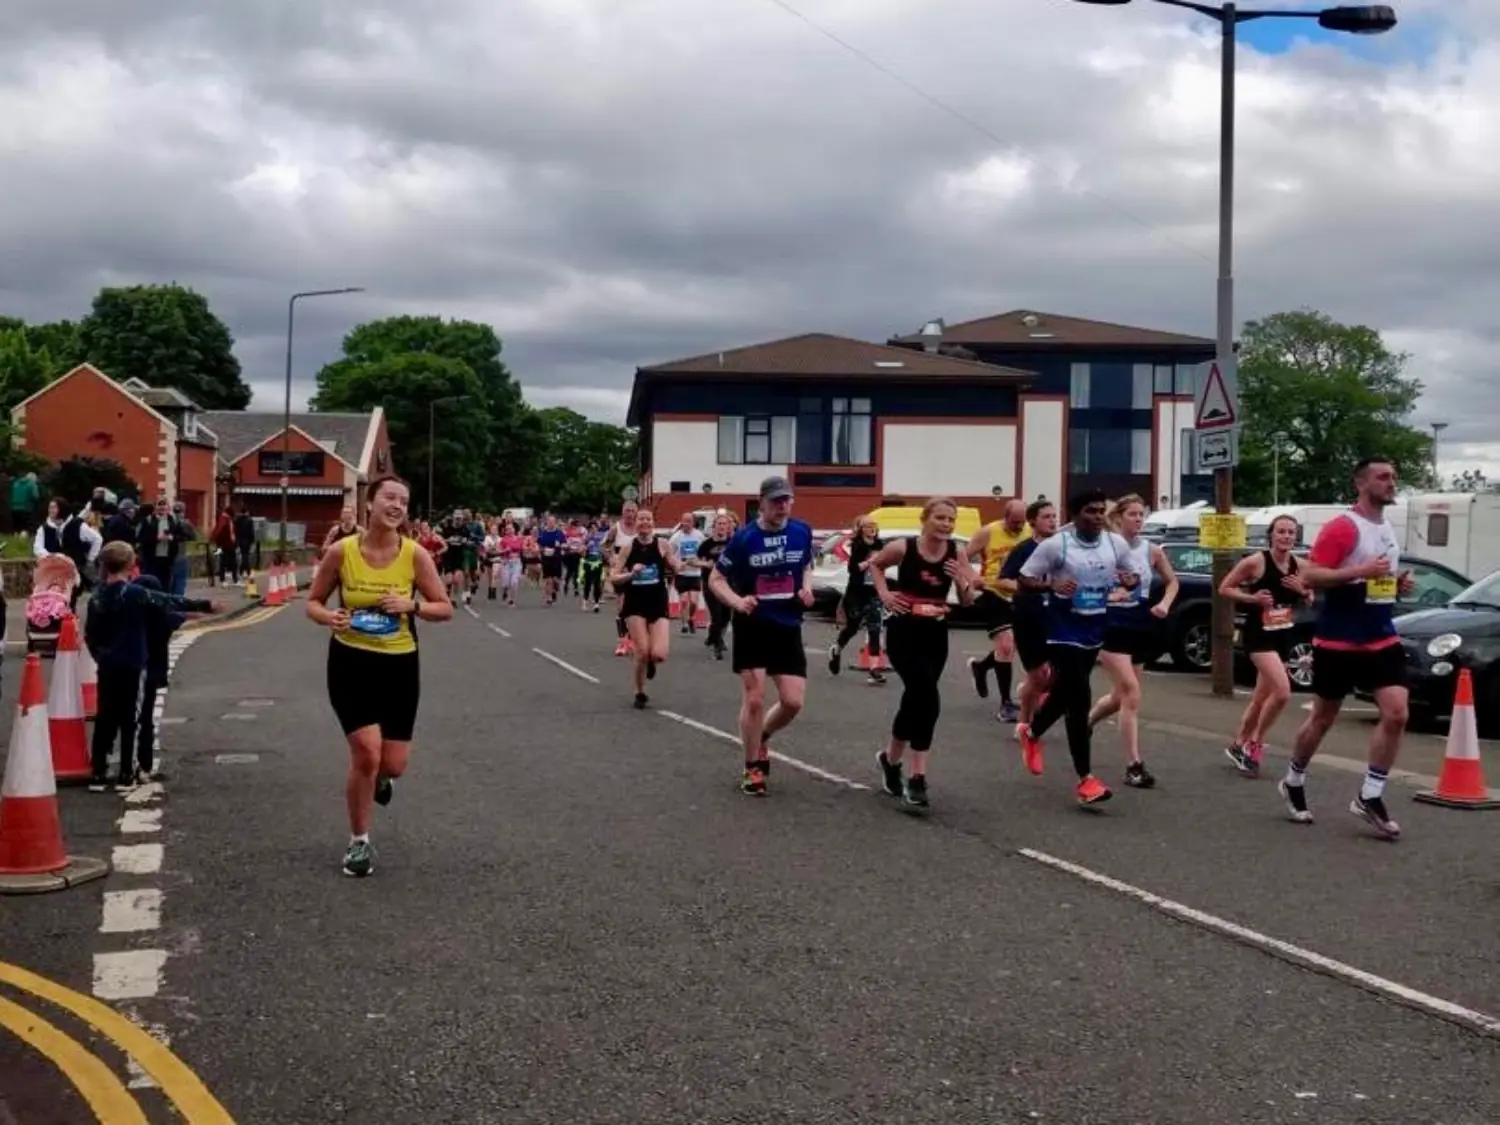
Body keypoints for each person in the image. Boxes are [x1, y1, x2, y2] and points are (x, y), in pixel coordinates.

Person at [306, 476, 452, 877]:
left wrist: (412, 606)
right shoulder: (341, 551)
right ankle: (359, 842)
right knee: (367, 753)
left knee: (394, 764)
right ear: (369, 504)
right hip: (350, 662)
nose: (397, 505)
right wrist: (329, 617)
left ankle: (383, 778)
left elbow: (444, 607)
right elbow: (313, 602)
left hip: (400, 665)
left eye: (403, 501)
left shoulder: (415, 555)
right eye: (389, 497)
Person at [1279, 458, 1412, 838]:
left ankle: (1370, 795)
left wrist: (1395, 585)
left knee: (1397, 714)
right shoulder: (1343, 526)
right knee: (1323, 718)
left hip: (1380, 635)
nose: (1391, 482)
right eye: (1382, 477)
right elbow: (1310, 574)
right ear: (1360, 483)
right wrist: (1360, 572)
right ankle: (1293, 779)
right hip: (1339, 638)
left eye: (1393, 477)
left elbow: (1376, 581)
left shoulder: (1386, 526)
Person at [1018, 490, 1138, 807]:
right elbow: (1024, 580)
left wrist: (1130, 581)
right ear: (1074, 515)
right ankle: (1086, 780)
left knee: (1064, 693)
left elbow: (1133, 577)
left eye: (1100, 511)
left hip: (1094, 627)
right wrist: (1051, 585)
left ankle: (1032, 732)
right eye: (1090, 511)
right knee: (1079, 697)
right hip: (1061, 629)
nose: (1097, 517)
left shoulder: (1115, 543)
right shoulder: (1056, 545)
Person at [868, 498, 978, 812]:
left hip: (935, 634)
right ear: (925, 519)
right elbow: (875, 565)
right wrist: (885, 594)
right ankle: (918, 778)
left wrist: (961, 580)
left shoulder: (957, 552)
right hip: (904, 630)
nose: (946, 524)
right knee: (927, 697)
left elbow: (968, 600)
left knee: (915, 698)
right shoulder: (904, 548)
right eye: (940, 518)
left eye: (951, 520)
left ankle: (890, 760)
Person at [708, 476, 815, 797]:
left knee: (793, 702)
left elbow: (806, 565)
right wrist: (737, 602)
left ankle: (763, 735)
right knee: (754, 698)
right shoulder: (744, 538)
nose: (782, 506)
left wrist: (806, 588)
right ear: (762, 504)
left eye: (787, 500)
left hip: (787, 624)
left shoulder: (801, 531)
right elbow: (716, 579)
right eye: (776, 501)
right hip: (752, 624)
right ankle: (752, 766)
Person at [84, 542, 218, 792]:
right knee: (131, 718)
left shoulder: (96, 597)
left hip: (107, 664)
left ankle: (99, 771)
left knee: (105, 716)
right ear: (130, 565)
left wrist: (100, 656)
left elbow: (90, 635)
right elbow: (168, 601)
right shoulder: (134, 593)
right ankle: (127, 772)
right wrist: (204, 605)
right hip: (133, 663)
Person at [1085, 494, 1179, 789]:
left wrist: (1164, 603)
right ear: (1119, 517)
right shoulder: (1104, 547)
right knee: (1132, 693)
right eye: (1133, 514)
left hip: (1140, 623)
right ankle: (1134, 765)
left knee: (1120, 697)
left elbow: (1173, 582)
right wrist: (1106, 596)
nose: (1138, 519)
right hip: (1110, 624)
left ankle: (1086, 723)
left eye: (1142, 515)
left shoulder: (1152, 550)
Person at [1221, 514, 1313, 777]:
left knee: (1261, 698)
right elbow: (1225, 588)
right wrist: (1253, 599)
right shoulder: (1256, 562)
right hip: (1258, 635)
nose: (1286, 536)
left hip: (1282, 634)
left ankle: (1238, 744)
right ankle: (1255, 744)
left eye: (1291, 532)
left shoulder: (1302, 565)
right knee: (1282, 692)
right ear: (1271, 534)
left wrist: (1303, 591)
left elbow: (1311, 596)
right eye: (1281, 531)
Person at [965, 500, 1030, 721]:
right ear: (1005, 517)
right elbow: (962, 555)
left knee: (1012, 647)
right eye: (1014, 522)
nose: (1019, 527)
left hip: (1021, 594)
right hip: (994, 592)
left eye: (1022, 522)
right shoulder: (989, 532)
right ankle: (1006, 703)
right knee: (1006, 645)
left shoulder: (1030, 531)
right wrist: (972, 577)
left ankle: (981, 667)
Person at [610, 509, 681, 708]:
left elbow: (675, 565)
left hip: (657, 600)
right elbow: (614, 577)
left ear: (653, 523)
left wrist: (683, 565)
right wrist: (631, 575)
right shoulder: (628, 548)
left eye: (648, 519)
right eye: (641, 519)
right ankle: (639, 692)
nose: (644, 522)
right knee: (641, 651)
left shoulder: (663, 545)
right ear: (636, 523)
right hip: (635, 602)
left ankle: (651, 661)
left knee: (659, 654)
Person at [1003, 499, 1059, 736]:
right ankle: (1024, 723)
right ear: (1032, 521)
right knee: (1038, 675)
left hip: (1057, 617)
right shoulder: (1023, 549)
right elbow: (1004, 579)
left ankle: (1027, 690)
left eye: (1054, 516)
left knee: (1054, 676)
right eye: (1046, 517)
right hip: (1028, 617)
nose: (1052, 521)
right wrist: (1028, 589)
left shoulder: (1062, 547)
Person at [828, 515, 887, 685]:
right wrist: (870, 561)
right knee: (852, 627)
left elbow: (883, 565)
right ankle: (837, 648)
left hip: (873, 592)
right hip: (856, 593)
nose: (872, 529)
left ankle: (874, 670)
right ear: (861, 529)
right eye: (868, 526)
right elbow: (853, 568)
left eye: (874, 525)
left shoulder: (879, 545)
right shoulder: (858, 546)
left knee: (875, 628)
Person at [695, 513, 734, 659]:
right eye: (719, 524)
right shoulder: (706, 544)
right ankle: (717, 646)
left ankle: (714, 636)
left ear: (728, 527)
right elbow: (694, 561)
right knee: (716, 615)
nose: (721, 526)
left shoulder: (733, 543)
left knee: (726, 616)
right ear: (714, 526)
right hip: (710, 583)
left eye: (724, 524)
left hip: (728, 584)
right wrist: (706, 564)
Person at [609, 502, 640, 655]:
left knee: (635, 609)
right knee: (621, 607)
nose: (630, 514)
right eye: (627, 511)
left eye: (633, 511)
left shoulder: (641, 528)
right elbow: (604, 546)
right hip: (621, 573)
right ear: (622, 512)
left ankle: (632, 639)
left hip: (637, 573)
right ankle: (622, 642)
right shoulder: (616, 528)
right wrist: (611, 558)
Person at [668, 512, 705, 634]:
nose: (686, 524)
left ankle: (691, 618)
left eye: (689, 521)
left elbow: (704, 552)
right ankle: (684, 624)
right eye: (684, 521)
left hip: (695, 573)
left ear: (693, 523)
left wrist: (700, 562)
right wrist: (677, 564)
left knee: (693, 602)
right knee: (684, 601)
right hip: (682, 574)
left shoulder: (699, 535)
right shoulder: (676, 537)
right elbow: (670, 555)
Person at [537, 513, 567, 606]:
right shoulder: (542, 533)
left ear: (555, 522)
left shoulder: (559, 533)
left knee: (555, 579)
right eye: (549, 521)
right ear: (547, 522)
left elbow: (565, 543)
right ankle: (548, 598)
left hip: (556, 557)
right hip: (546, 557)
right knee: (548, 578)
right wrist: (543, 549)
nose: (551, 523)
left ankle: (555, 588)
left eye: (553, 521)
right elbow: (539, 545)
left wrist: (561, 545)